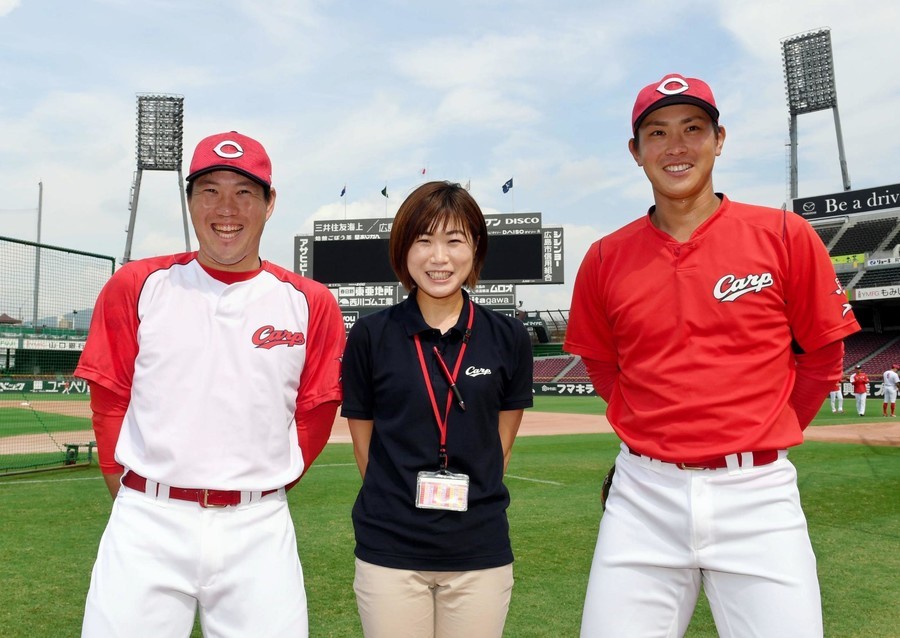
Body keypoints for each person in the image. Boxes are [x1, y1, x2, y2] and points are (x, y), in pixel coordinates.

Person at [564, 73, 860, 637]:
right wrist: (657, 433)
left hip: (758, 495)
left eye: (693, 129)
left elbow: (823, 358)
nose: (676, 147)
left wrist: (762, 428)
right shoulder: (605, 257)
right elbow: (603, 366)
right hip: (643, 497)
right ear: (636, 151)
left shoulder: (783, 233)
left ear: (719, 139)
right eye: (657, 133)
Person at [75, 131, 345, 637]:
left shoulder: (310, 302)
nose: (227, 208)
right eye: (210, 190)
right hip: (146, 521)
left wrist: (261, 489)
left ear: (270, 204)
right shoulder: (137, 285)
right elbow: (110, 400)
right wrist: (133, 495)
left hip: (258, 527)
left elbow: (314, 414)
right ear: (190, 199)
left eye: (244, 192)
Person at [340, 181, 533, 638]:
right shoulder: (370, 335)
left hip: (478, 550)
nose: (438, 257)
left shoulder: (508, 337)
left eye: (454, 240)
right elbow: (364, 447)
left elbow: (500, 446)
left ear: (476, 248)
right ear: (403, 251)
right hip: (389, 549)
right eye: (423, 240)